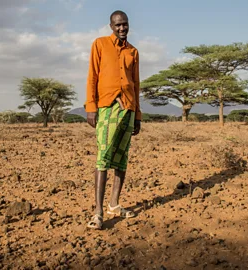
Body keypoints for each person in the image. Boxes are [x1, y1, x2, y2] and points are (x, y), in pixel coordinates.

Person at [84, 10, 141, 230]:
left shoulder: (133, 51)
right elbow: (92, 76)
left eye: (125, 24)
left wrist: (137, 114)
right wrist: (91, 107)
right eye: (117, 25)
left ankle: (114, 205)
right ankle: (98, 212)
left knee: (121, 157)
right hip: (106, 107)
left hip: (127, 108)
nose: (122, 28)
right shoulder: (99, 44)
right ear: (111, 26)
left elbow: (136, 84)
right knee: (103, 157)